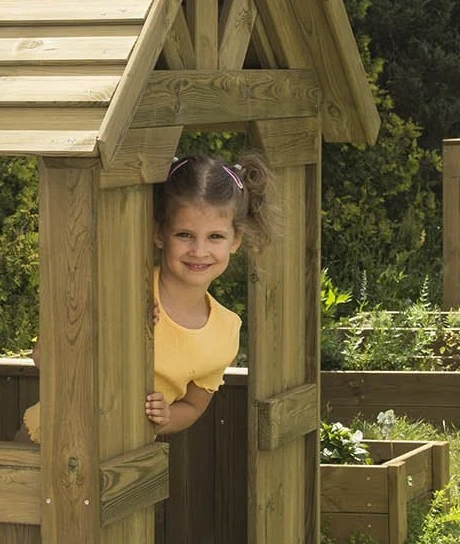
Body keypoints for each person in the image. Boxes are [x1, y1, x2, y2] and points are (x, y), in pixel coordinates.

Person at [18, 152, 275, 441]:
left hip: (126, 460)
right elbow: (43, 356)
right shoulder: (120, 288)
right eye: (184, 235)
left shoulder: (225, 330)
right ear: (159, 234)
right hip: (48, 441)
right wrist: (115, 318)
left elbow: (192, 406)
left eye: (215, 236)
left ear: (235, 241)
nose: (199, 250)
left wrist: (165, 417)